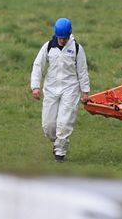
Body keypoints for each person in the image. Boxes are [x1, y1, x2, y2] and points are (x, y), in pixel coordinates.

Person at [30, 18, 90, 162]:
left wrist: (85, 92)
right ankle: (57, 141)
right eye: (60, 38)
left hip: (70, 89)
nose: (62, 40)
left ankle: (60, 153)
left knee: (64, 123)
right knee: (48, 126)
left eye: (65, 38)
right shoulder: (48, 47)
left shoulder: (76, 48)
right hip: (51, 89)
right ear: (56, 35)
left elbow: (82, 71)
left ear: (70, 34)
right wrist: (35, 87)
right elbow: (38, 66)